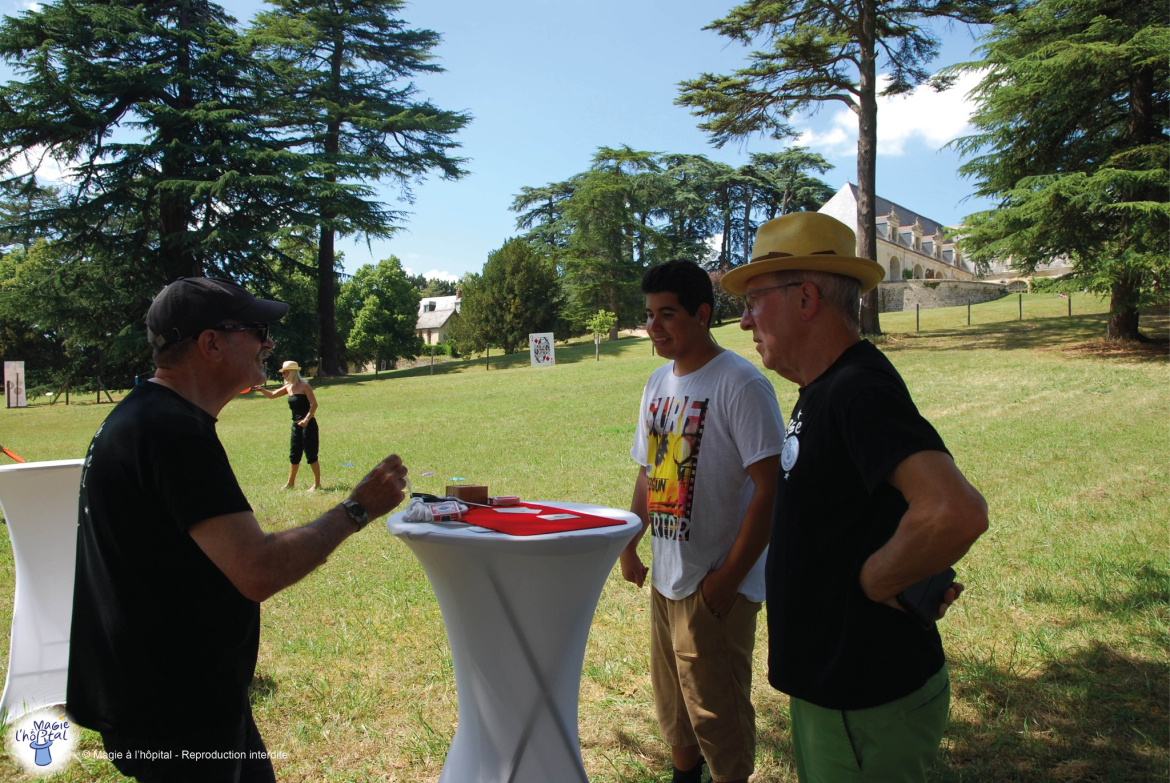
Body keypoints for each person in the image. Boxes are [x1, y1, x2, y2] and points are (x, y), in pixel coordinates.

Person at [66, 277, 409, 783]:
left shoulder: (144, 416)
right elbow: (258, 569)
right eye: (255, 329)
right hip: (175, 708)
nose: (268, 343)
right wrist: (356, 509)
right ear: (210, 343)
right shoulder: (173, 432)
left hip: (182, 693)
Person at [721, 212, 989, 783]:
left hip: (864, 697)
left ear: (806, 298)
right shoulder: (824, 387)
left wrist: (878, 579)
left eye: (755, 299)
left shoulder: (856, 389)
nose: (744, 321)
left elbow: (954, 510)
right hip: (838, 691)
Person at [621, 259, 786, 783]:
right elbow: (651, 473)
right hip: (668, 582)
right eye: (649, 316)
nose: (655, 328)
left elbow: (771, 489)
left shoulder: (740, 383)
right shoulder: (656, 384)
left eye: (667, 314)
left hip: (716, 585)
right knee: (676, 715)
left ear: (702, 313)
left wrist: (729, 579)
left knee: (719, 718)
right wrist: (629, 543)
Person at [254, 360, 321, 491]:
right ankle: (290, 483)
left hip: (308, 425)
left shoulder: (304, 386)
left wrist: (306, 420)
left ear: (291, 373)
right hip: (296, 425)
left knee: (311, 454)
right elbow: (272, 395)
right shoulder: (288, 387)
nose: (282, 375)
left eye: (284, 372)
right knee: (294, 454)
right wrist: (261, 389)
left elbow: (314, 404)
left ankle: (317, 484)